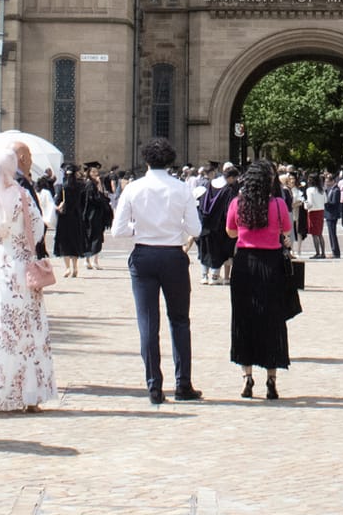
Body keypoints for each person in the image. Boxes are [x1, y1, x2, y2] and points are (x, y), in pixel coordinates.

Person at [112, 137, 204, 406]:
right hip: (173, 255)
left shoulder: (133, 188)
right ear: (170, 160)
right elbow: (196, 230)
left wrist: (139, 229)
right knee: (180, 321)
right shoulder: (182, 188)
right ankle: (183, 384)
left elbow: (118, 230)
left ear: (146, 160)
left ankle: (154, 386)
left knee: (148, 323)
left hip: (143, 255)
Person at [0, 144, 57, 413]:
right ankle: (28, 395)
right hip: (18, 268)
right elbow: (39, 229)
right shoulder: (20, 196)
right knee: (25, 331)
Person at [226, 160, 295, 400]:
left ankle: (247, 377)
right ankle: (271, 379)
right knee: (272, 320)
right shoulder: (277, 204)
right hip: (271, 265)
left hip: (245, 264)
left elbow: (231, 232)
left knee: (244, 319)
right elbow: (286, 230)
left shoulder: (237, 203)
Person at [197, 165, 237, 285]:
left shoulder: (208, 185)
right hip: (219, 226)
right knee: (218, 250)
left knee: (205, 249)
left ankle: (204, 276)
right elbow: (228, 210)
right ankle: (215, 276)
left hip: (205, 223)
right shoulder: (228, 190)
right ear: (230, 178)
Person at [54, 164, 89, 278]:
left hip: (64, 217)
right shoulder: (81, 186)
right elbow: (84, 202)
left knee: (64, 242)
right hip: (76, 217)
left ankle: (67, 268)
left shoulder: (62, 187)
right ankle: (75, 267)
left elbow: (57, 201)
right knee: (75, 241)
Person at [303, 173, 329, 259]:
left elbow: (309, 203)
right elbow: (325, 200)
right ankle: (323, 253)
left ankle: (317, 253)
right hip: (321, 211)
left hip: (313, 212)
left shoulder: (309, 190)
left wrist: (305, 204)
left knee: (314, 234)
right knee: (320, 233)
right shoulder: (321, 189)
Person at [320, 171, 343, 259]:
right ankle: (334, 250)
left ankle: (336, 252)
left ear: (332, 181)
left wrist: (326, 203)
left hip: (332, 214)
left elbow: (334, 203)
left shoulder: (336, 190)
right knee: (331, 234)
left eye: (327, 181)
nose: (326, 183)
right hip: (329, 214)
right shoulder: (330, 189)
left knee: (332, 234)